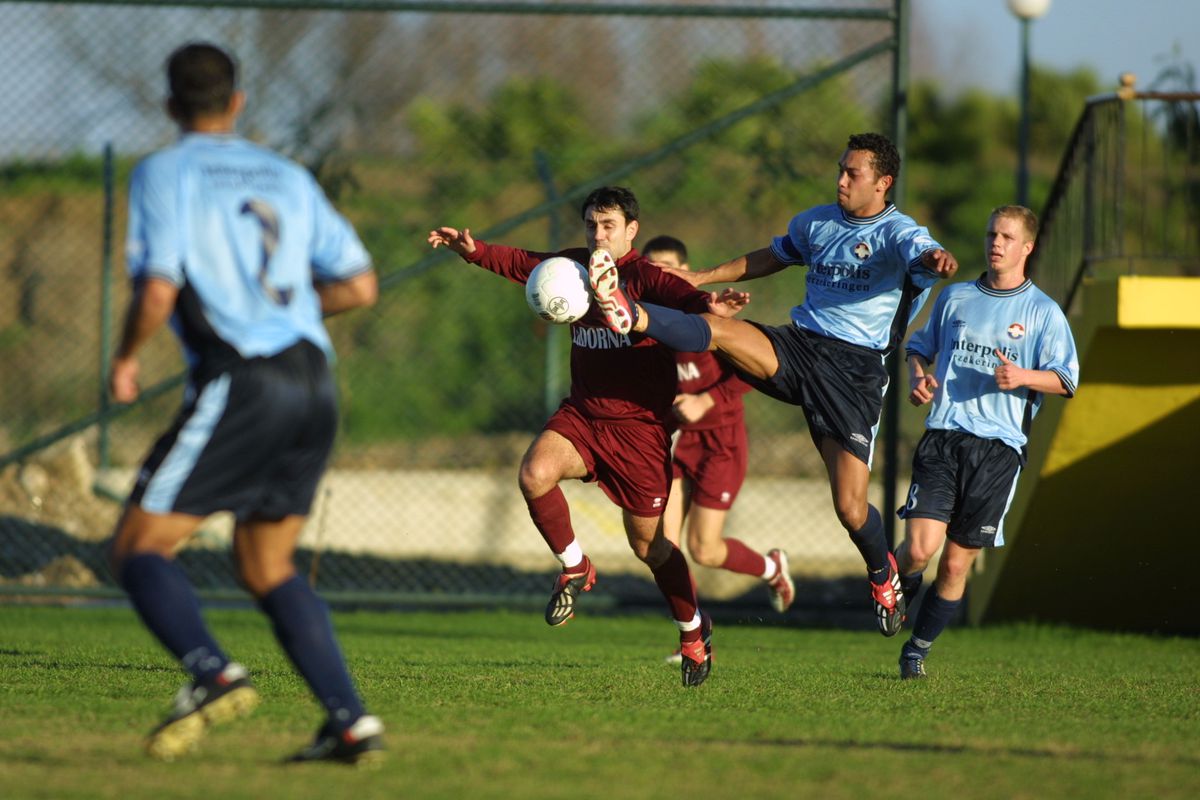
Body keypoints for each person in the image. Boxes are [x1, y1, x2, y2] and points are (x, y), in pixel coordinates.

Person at [107, 42, 383, 764]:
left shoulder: (164, 173)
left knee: (139, 548)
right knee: (267, 567)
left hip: (245, 377)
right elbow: (358, 287)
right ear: (237, 102)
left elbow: (159, 286)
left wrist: (127, 355)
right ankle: (350, 721)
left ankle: (212, 673)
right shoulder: (287, 175)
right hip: (315, 381)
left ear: (170, 105)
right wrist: (286, 309)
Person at [589, 133, 959, 637]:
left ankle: (881, 573)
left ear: (883, 182)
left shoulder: (899, 233)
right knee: (718, 331)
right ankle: (632, 315)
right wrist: (700, 278)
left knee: (850, 510)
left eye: (853, 173)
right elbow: (771, 257)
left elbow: (924, 250)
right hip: (799, 345)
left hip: (853, 375)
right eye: (840, 169)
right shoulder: (817, 221)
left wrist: (938, 259)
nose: (841, 180)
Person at [427, 187, 741, 687]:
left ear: (631, 229)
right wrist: (475, 251)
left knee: (651, 548)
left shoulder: (646, 277)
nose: (598, 235)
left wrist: (712, 303)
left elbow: (686, 299)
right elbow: (523, 263)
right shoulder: (573, 267)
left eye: (609, 225)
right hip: (583, 417)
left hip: (639, 432)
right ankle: (576, 568)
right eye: (592, 225)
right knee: (534, 474)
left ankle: (692, 630)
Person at [893, 205, 1078, 679]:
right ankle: (893, 588)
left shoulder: (1042, 312)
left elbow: (1066, 379)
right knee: (918, 549)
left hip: (998, 451)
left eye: (1008, 237)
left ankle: (916, 649)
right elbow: (918, 347)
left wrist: (1023, 377)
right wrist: (920, 377)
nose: (996, 243)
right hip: (945, 436)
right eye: (992, 233)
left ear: (1027, 248)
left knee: (955, 566)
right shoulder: (955, 298)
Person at [642, 235, 794, 667]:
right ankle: (691, 632)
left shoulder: (705, 313)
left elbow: (756, 368)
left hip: (719, 444)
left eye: (669, 268)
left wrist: (705, 400)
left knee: (704, 549)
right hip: (673, 443)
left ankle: (770, 569)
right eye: (653, 269)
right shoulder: (640, 319)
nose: (660, 276)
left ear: (684, 272)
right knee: (662, 547)